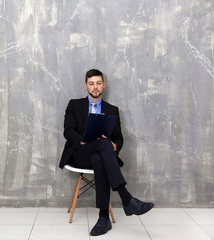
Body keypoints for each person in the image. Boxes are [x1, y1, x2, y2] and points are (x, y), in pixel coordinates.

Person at [59, 69, 155, 236]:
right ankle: (127, 200)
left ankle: (104, 219)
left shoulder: (112, 110)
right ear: (86, 86)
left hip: (101, 155)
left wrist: (114, 146)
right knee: (102, 144)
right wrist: (82, 139)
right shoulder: (74, 104)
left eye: (98, 83)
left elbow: (119, 138)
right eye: (91, 84)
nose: (95, 87)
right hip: (80, 153)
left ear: (103, 85)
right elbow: (68, 131)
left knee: (100, 157)